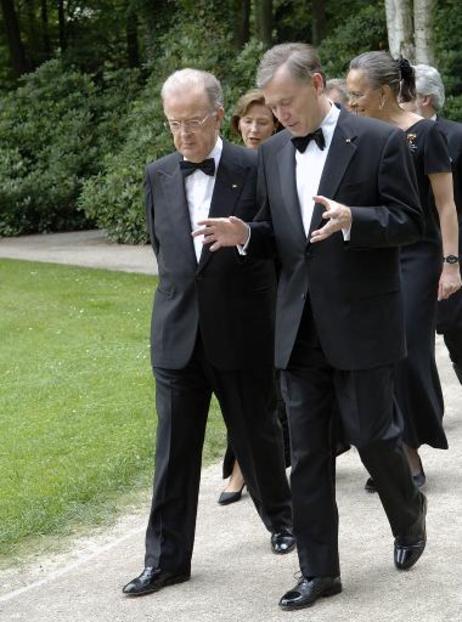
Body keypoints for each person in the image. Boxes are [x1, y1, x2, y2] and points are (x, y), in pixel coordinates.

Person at [194, 43, 427, 611]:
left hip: (363, 319)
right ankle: (319, 572)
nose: (282, 115)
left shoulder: (380, 141)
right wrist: (246, 234)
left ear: (318, 83)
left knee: (373, 436)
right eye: (273, 107)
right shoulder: (272, 152)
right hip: (297, 328)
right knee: (308, 455)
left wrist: (356, 221)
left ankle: (409, 513)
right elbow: (279, 233)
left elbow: (409, 221)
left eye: (289, 102)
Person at [122, 68, 294, 598]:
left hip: (241, 329)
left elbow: (280, 242)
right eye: (173, 123)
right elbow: (165, 251)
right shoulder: (158, 174)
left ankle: (284, 522)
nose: (183, 134)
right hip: (176, 334)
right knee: (173, 451)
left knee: (257, 434)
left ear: (219, 116)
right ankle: (166, 560)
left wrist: (244, 238)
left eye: (193, 121)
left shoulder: (257, 164)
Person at [347, 52, 461, 491]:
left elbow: (446, 204)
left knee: (409, 353)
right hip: (371, 254)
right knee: (373, 357)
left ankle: (410, 452)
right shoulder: (356, 135)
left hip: (417, 256)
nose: (351, 101)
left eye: (357, 93)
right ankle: (390, 451)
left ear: (383, 92)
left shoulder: (425, 134)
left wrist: (451, 264)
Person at [218, 88, 289, 505]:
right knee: (244, 379)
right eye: (248, 120)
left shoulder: (280, 159)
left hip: (277, 277)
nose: (253, 128)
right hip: (234, 283)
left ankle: (253, 467)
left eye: (263, 121)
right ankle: (241, 466)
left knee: (271, 381)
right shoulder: (227, 163)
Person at [402, 64, 462, 385]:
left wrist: (453, 260)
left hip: (453, 249)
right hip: (413, 254)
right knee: (414, 337)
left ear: (423, 99)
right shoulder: (390, 136)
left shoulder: (457, 136)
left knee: (456, 332)